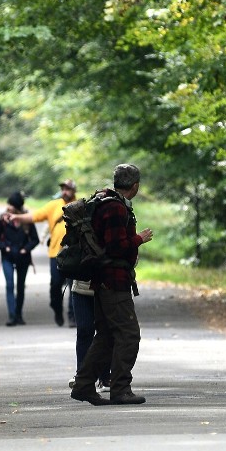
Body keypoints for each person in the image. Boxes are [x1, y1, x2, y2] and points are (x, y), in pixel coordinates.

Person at [70, 164, 153, 406]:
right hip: (113, 280)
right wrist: (139, 239)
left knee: (106, 335)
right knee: (129, 334)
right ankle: (121, 388)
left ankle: (84, 385)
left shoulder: (103, 200)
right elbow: (115, 246)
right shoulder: (115, 207)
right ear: (135, 186)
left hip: (102, 279)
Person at [8, 179, 78, 327]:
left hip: (75, 252)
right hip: (56, 253)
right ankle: (57, 308)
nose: (65, 191)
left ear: (74, 191)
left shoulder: (81, 205)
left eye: (68, 189)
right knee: (55, 285)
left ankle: (72, 316)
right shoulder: (53, 205)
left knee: (74, 286)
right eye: (63, 189)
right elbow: (35, 216)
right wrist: (17, 217)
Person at [0, 192, 40, 326]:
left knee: (20, 287)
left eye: (11, 205)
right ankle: (12, 315)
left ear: (17, 207)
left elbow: (35, 239)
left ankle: (19, 314)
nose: (8, 207)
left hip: (23, 258)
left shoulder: (26, 220)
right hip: (7, 257)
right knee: (10, 285)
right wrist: (4, 247)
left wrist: (26, 249)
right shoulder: (3, 220)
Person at [69, 279, 111, 391]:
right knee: (84, 331)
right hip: (81, 288)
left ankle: (105, 376)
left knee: (106, 333)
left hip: (109, 288)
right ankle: (81, 376)